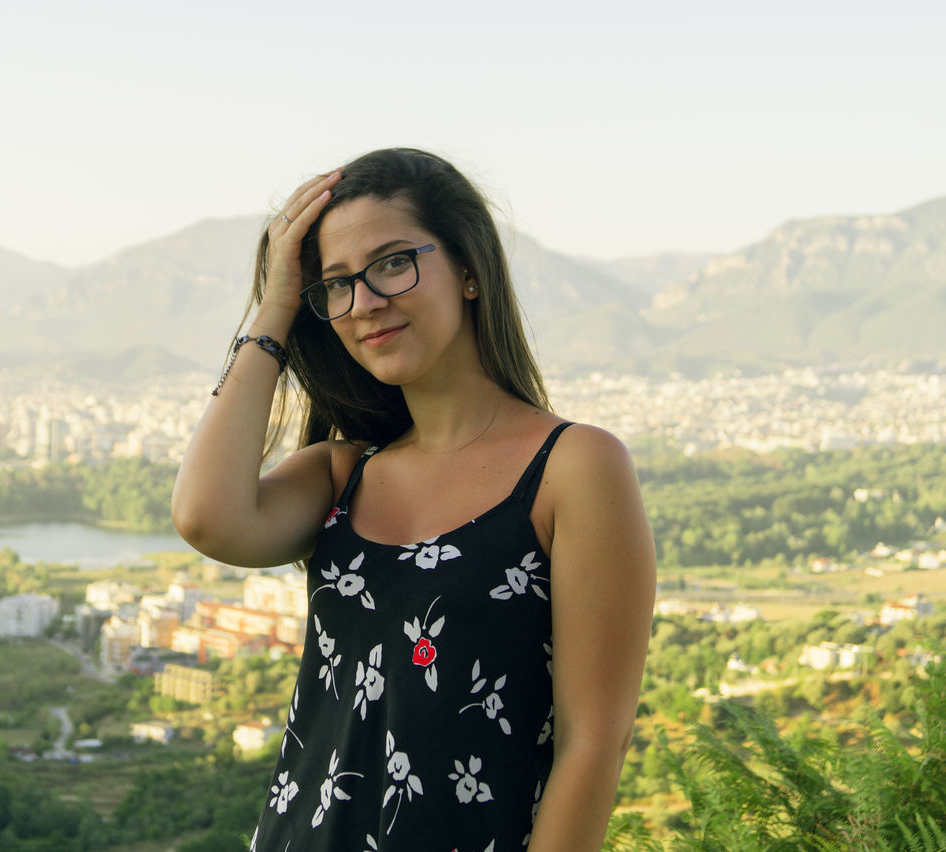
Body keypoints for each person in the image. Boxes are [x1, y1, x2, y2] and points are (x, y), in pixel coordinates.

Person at [171, 148, 656, 851]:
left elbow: (592, 744)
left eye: (393, 262)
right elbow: (206, 517)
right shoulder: (341, 476)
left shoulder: (572, 468)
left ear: (467, 269)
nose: (365, 302)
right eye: (335, 285)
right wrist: (275, 305)